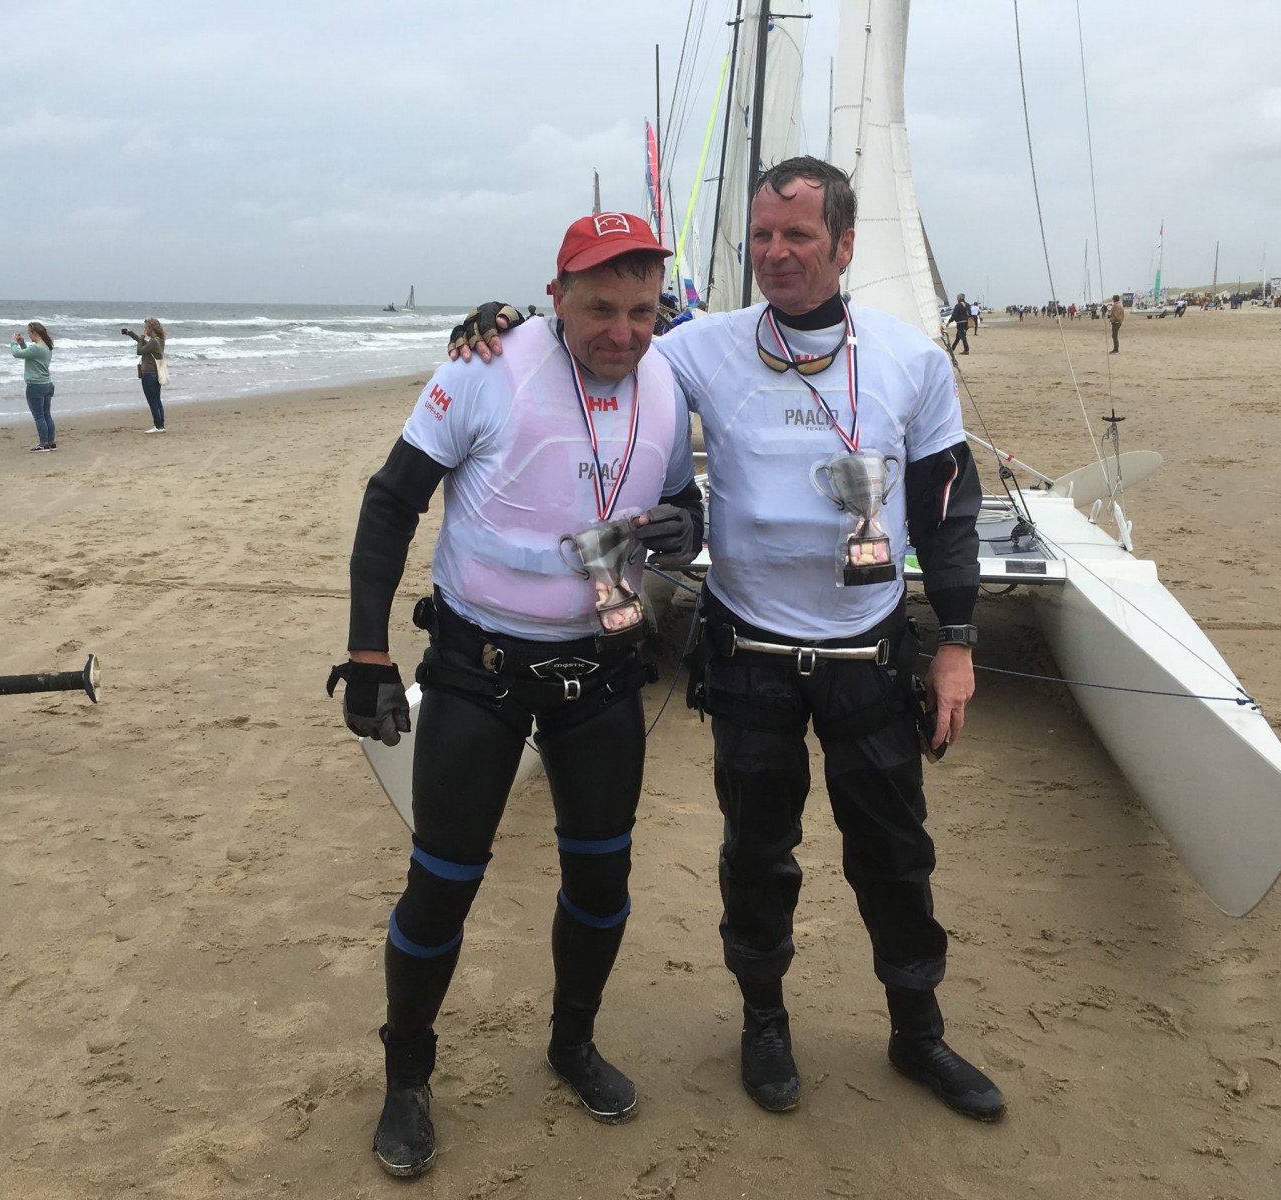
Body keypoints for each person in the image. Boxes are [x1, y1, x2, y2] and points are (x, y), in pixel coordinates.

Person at [450, 156, 1001, 1124]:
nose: (775, 253)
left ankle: (917, 1031)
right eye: (761, 236)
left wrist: (954, 643)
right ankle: (764, 1023)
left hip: (868, 652)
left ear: (844, 245)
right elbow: (599, 334)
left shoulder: (913, 360)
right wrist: (500, 320)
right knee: (757, 854)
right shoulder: (698, 347)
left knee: (894, 854)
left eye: (797, 235)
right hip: (750, 655)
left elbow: (948, 508)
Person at [333, 212, 703, 1178]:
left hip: (601, 673)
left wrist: (683, 526)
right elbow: (391, 502)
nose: (622, 331)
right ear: (555, 298)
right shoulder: (485, 366)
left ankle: (572, 1042)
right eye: (600, 309)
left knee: (602, 880)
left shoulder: (667, 382)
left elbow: (681, 500)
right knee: (442, 883)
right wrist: (367, 655)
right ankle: (407, 1078)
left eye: (641, 310)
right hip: (478, 674)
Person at [12, 321, 56, 452]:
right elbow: (28, 353)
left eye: (29, 333)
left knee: (39, 417)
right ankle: (50, 442)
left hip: (36, 386)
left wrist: (14, 342)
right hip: (47, 384)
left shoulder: (37, 348)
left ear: (34, 333)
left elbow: (17, 354)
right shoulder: (46, 346)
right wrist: (22, 344)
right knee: (47, 415)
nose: (29, 336)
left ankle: (43, 444)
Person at [122, 318, 167, 432]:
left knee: (152, 401)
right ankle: (161, 426)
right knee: (157, 400)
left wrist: (142, 337)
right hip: (156, 373)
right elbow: (143, 344)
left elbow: (140, 351)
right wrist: (131, 334)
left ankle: (158, 426)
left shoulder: (154, 341)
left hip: (149, 374)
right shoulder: (159, 340)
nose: (144, 330)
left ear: (151, 328)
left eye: (146, 327)